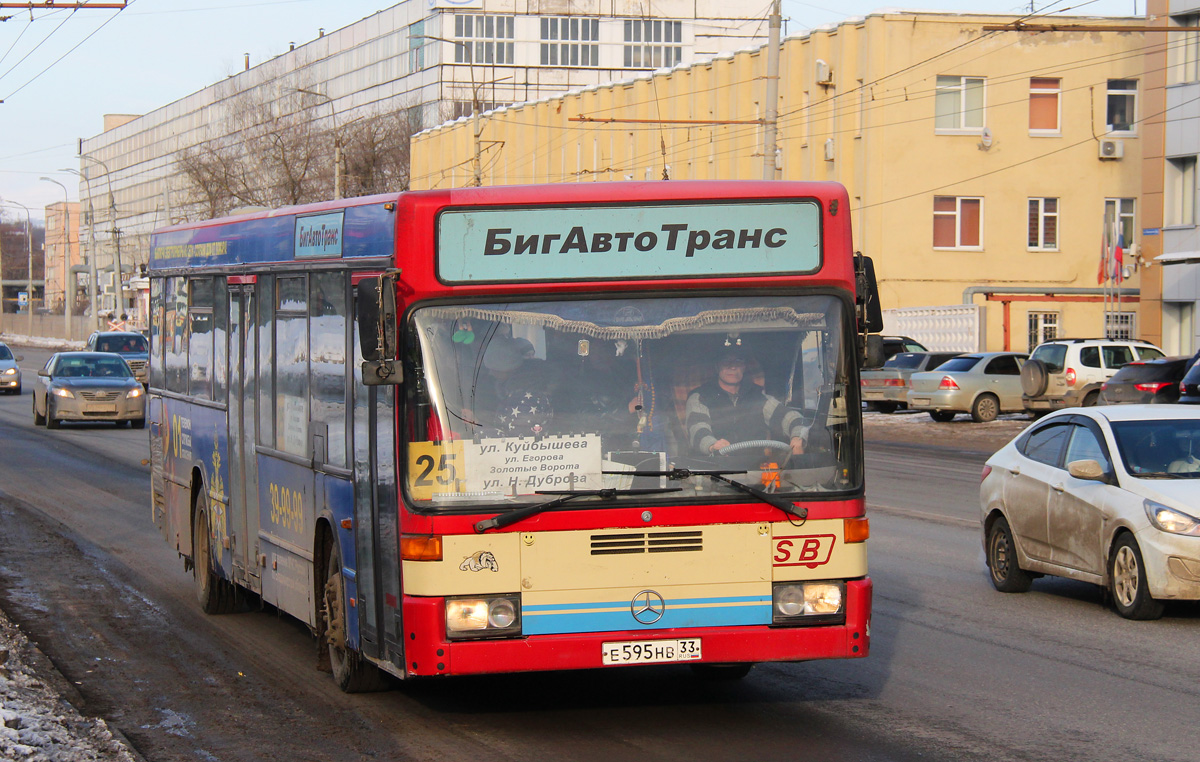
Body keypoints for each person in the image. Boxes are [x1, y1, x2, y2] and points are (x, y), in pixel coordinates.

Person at [684, 348, 808, 458]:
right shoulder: (700, 397)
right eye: (726, 361)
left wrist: (798, 437)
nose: (733, 366)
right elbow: (697, 429)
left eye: (738, 361)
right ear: (717, 366)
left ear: (744, 367)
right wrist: (712, 445)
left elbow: (792, 417)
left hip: (754, 470)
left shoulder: (758, 397)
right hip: (712, 468)